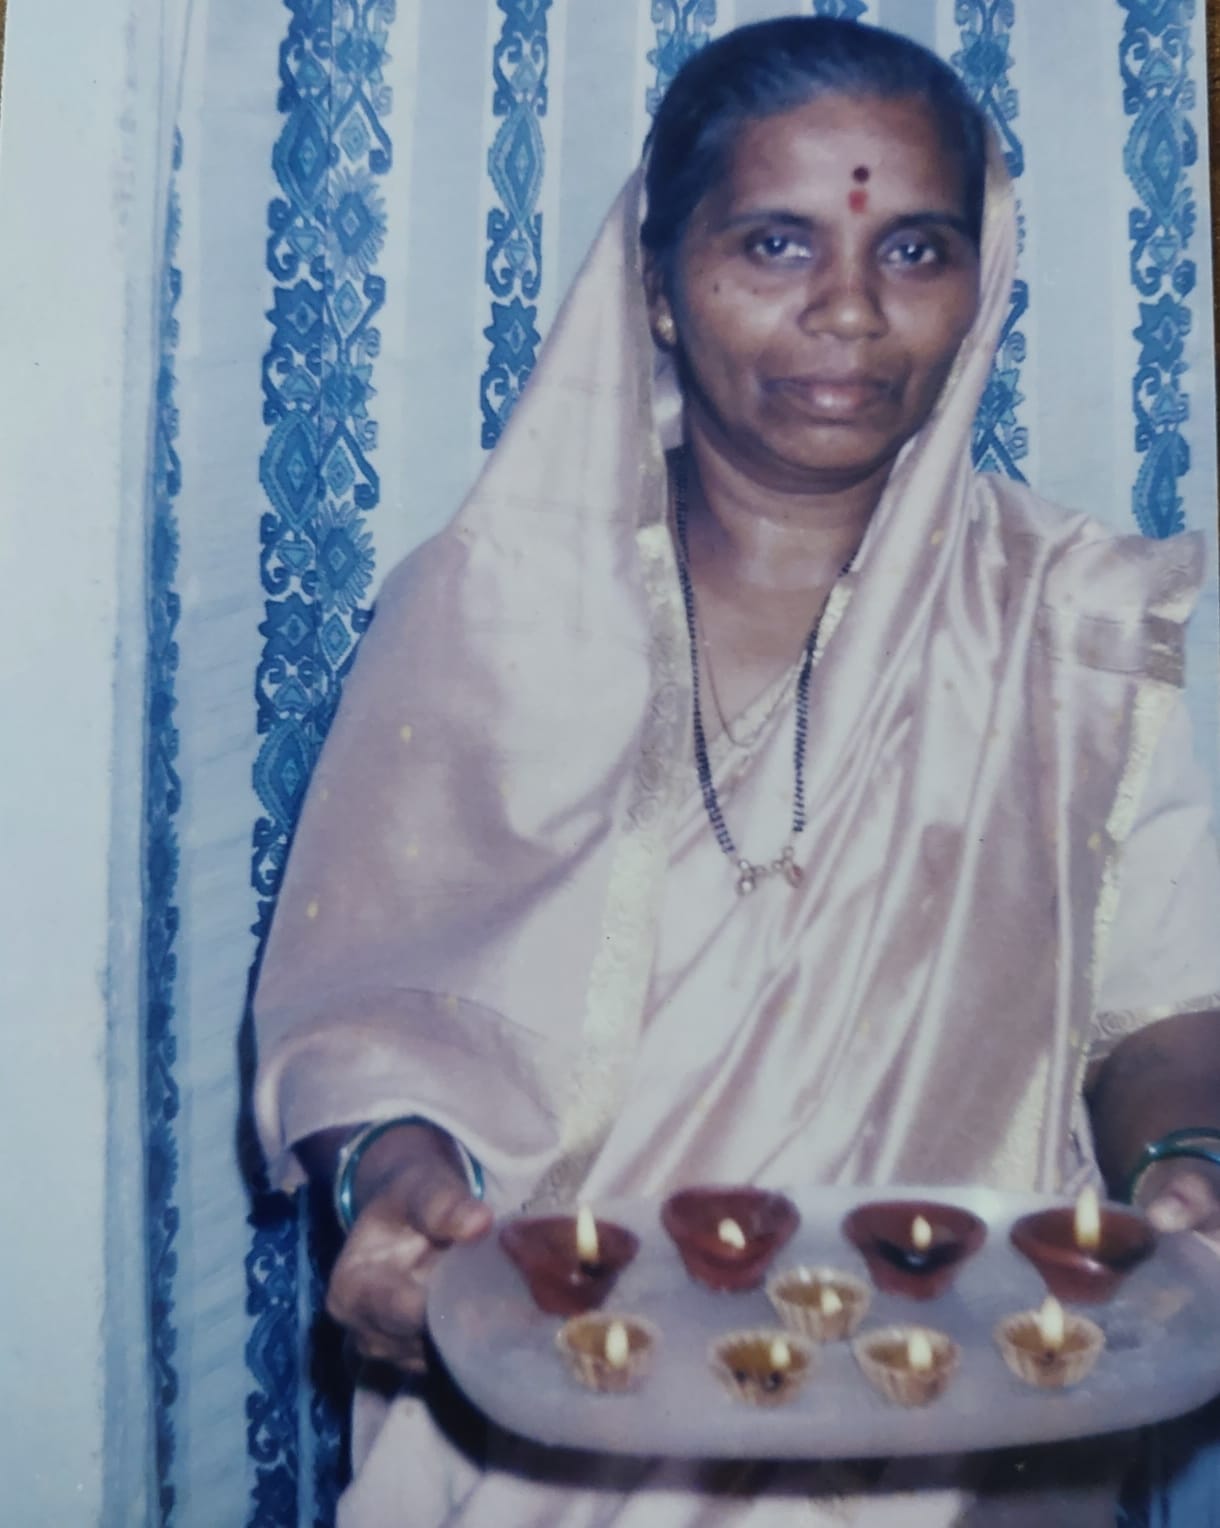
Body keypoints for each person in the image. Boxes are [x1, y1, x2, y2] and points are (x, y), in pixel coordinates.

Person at [253, 17, 1220, 1526]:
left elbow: (1164, 998)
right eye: (775, 244)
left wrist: (1189, 1159)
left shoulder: (1077, 625)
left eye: (916, 250)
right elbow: (372, 1013)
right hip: (555, 1417)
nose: (850, 309)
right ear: (656, 282)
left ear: (982, 282)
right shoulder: (492, 608)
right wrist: (391, 1181)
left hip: (957, 1432)